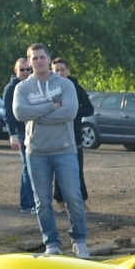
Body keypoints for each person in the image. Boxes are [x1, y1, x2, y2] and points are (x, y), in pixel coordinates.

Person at [12, 42, 88, 257]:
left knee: (73, 197)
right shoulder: (22, 88)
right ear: (29, 61)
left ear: (48, 58)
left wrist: (36, 113)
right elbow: (20, 113)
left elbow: (70, 112)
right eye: (33, 58)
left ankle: (79, 240)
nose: (38, 61)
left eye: (41, 57)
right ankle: (52, 244)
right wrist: (51, 106)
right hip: (36, 152)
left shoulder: (65, 85)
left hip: (65, 150)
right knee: (42, 202)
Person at [52, 57, 93, 203]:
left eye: (62, 70)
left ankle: (81, 200)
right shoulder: (47, 87)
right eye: (56, 70)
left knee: (76, 169)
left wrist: (72, 111)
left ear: (68, 71)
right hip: (53, 135)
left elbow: (89, 109)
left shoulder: (76, 88)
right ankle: (60, 200)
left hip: (73, 136)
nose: (59, 72)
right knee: (57, 170)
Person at [3, 57, 34, 212]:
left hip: (32, 130)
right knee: (28, 167)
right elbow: (7, 113)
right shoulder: (12, 88)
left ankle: (26, 203)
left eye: (28, 69)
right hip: (20, 132)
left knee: (30, 167)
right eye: (22, 69)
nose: (26, 72)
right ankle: (29, 204)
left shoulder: (32, 85)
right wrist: (12, 134)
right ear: (16, 70)